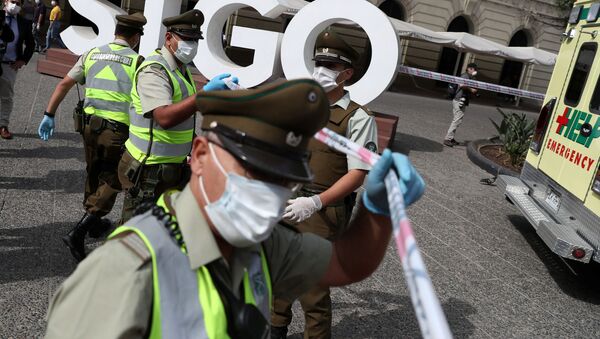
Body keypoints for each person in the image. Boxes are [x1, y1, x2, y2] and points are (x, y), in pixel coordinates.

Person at [44, 78, 426, 338]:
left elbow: (344, 265)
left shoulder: (261, 244)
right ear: (199, 154)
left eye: (282, 178)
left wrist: (378, 210)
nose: (267, 191)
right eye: (251, 170)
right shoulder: (124, 274)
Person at [271, 28, 379, 339]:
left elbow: (358, 173)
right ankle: (274, 329)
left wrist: (315, 202)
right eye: (319, 64)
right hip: (288, 201)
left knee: (313, 289)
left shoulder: (357, 118)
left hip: (322, 210)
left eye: (330, 67)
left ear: (346, 74)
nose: (321, 71)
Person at [37, 12, 147, 261]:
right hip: (117, 132)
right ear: (136, 37)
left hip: (88, 128)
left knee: (95, 171)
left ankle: (94, 221)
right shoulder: (138, 61)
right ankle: (80, 230)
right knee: (117, 179)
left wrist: (49, 114)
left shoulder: (92, 53)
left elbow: (63, 84)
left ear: (116, 32)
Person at [117, 9, 236, 223]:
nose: (192, 46)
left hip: (171, 166)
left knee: (161, 232)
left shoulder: (180, 69)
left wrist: (195, 145)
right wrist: (204, 95)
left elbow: (182, 117)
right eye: (187, 39)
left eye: (195, 40)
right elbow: (164, 117)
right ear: (169, 38)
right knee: (134, 237)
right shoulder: (154, 69)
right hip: (147, 169)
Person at [0, 0, 34, 140]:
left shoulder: (24, 22)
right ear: (5, 2)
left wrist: (23, 60)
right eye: (12, 1)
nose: (15, 4)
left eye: (18, 2)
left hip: (10, 65)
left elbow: (31, 44)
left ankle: (3, 125)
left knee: (6, 97)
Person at [443, 62, 478, 147]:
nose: (475, 71)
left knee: (457, 120)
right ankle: (447, 139)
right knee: (457, 120)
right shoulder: (465, 76)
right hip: (459, 100)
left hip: (461, 100)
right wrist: (471, 90)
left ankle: (451, 138)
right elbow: (462, 85)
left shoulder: (469, 76)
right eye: (474, 69)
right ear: (469, 69)